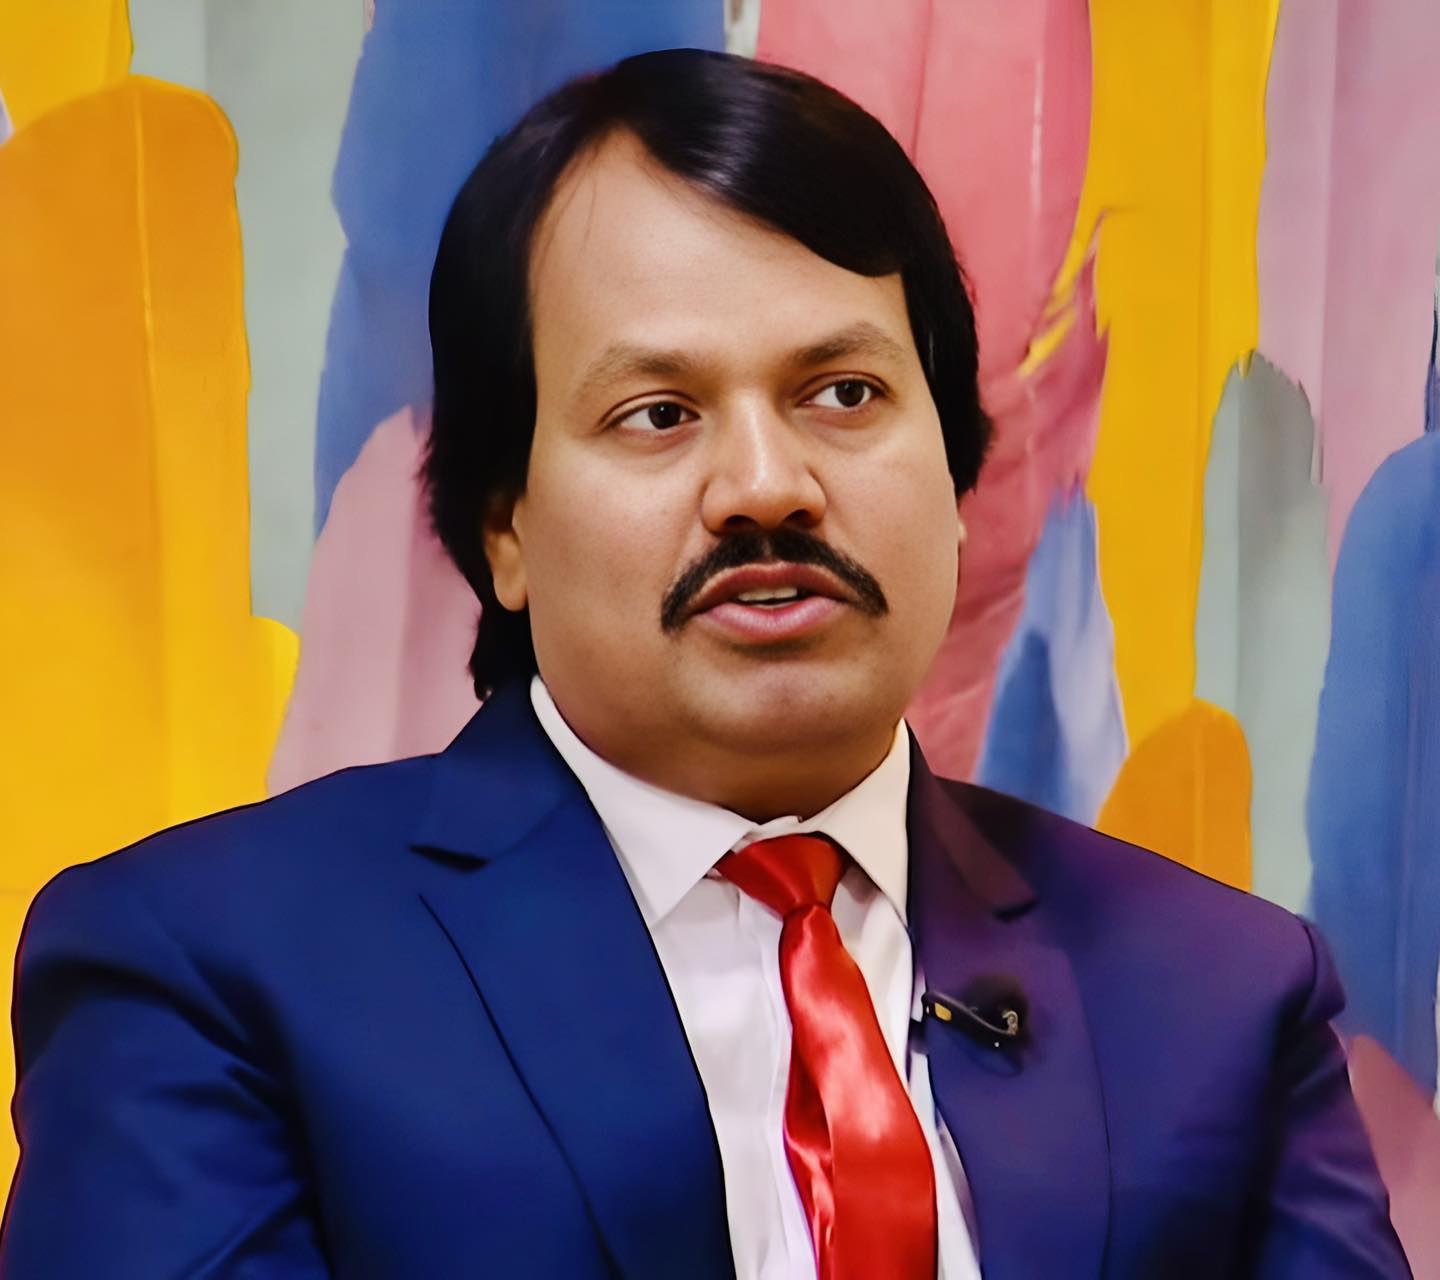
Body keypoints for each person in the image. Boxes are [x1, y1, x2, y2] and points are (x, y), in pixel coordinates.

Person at [0, 47, 1410, 1280]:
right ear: (505, 526)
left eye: (844, 393)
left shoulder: (1222, 994)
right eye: (659, 414)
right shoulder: (210, 971)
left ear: (956, 478)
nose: (766, 486)